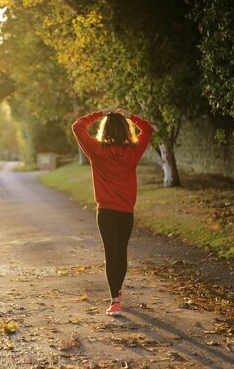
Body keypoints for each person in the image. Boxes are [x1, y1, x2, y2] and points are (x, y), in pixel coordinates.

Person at [72, 107, 155, 316]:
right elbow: (148, 129)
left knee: (111, 253)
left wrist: (100, 113)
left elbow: (77, 126)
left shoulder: (97, 150)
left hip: (106, 212)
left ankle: (115, 301)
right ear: (126, 130)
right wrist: (130, 116)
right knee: (121, 252)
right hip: (126, 212)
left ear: (105, 129)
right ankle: (117, 293)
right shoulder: (133, 151)